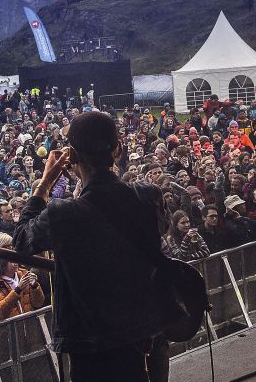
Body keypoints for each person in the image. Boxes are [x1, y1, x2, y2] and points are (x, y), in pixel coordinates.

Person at [13, 111, 185, 382]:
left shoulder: (64, 213)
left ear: (72, 156)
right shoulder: (148, 196)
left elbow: (22, 241)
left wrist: (45, 182)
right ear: (117, 150)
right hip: (146, 333)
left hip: (94, 346)